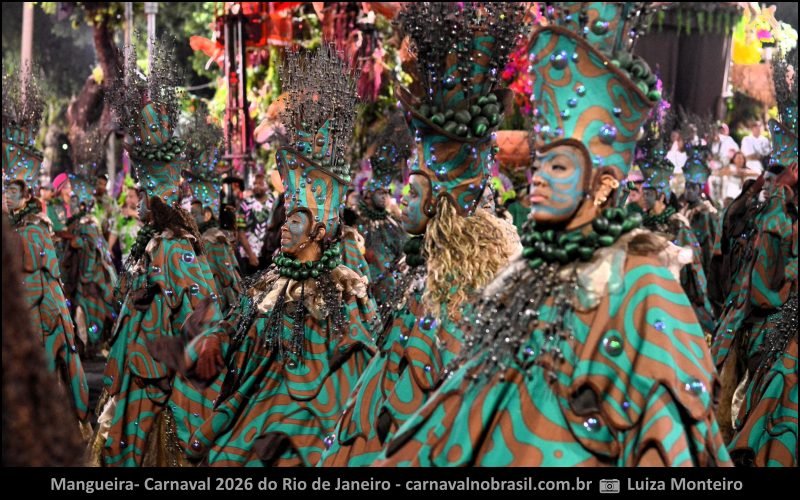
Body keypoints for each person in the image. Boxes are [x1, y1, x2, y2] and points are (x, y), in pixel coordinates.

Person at [376, 2, 730, 467]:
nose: (538, 178)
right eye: (539, 163)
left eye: (558, 166)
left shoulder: (642, 283)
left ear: (604, 186)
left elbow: (666, 440)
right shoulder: (524, 273)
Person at [321, 2, 524, 466]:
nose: (402, 199)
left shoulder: (459, 283)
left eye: (413, 192)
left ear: (439, 204)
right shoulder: (423, 265)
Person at [185, 45, 378, 467]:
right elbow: (237, 322)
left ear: (320, 232)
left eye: (296, 220)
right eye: (287, 218)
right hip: (259, 406)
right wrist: (214, 337)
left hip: (316, 423)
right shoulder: (272, 281)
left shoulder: (343, 288)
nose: (286, 228)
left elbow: (364, 349)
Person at [93, 38, 224, 466]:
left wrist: (186, 350)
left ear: (159, 199)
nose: (137, 201)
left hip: (161, 376)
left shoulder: (175, 246)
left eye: (144, 194)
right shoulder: (151, 243)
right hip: (135, 366)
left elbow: (203, 308)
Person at [714, 48, 798, 467]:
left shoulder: (778, 210)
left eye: (784, 169)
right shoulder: (759, 205)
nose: (776, 175)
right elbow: (735, 270)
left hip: (778, 334)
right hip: (747, 328)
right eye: (775, 168)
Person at [2, 69, 90, 428]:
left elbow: (34, 277)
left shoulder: (36, 228)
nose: (8, 197)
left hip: (37, 315)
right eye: (5, 191)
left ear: (26, 195)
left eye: (13, 192)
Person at [60, 130, 118, 350]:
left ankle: (95, 341)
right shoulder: (82, 210)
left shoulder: (107, 206)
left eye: (102, 183)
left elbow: (109, 228)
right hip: (80, 260)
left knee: (98, 297)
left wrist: (101, 246)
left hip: (97, 256)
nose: (99, 186)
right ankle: (82, 341)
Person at [182, 109, 242, 313]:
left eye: (194, 212)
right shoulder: (195, 240)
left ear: (207, 214)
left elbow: (227, 281)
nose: (190, 216)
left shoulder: (214, 241)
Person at [352, 111, 411, 308]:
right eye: (381, 192)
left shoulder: (393, 221)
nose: (385, 196)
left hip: (392, 288)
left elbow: (403, 249)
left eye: (387, 192)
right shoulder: (357, 219)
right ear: (368, 194)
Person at [681, 144, 721, 282]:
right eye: (687, 186)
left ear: (700, 190)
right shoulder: (683, 209)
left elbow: (709, 248)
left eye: (693, 187)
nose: (688, 191)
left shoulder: (706, 213)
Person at [237, 172, 274, 275]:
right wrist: (250, 254)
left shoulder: (274, 204)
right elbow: (240, 231)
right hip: (248, 256)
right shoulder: (244, 205)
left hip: (269, 256)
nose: (257, 186)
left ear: (266, 186)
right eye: (254, 183)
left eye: (260, 183)